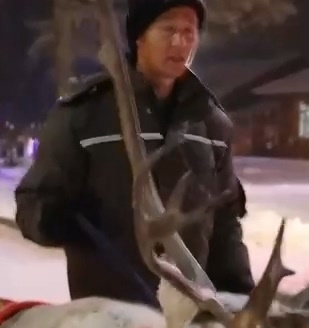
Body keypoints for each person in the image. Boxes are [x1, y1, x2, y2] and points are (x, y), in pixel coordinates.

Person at [14, 0, 254, 306]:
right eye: (168, 30)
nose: (180, 42)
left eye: (188, 32)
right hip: (110, 316)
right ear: (139, 37)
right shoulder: (85, 115)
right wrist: (53, 220)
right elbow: (32, 203)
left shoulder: (211, 122)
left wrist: (239, 295)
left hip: (190, 312)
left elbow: (224, 221)